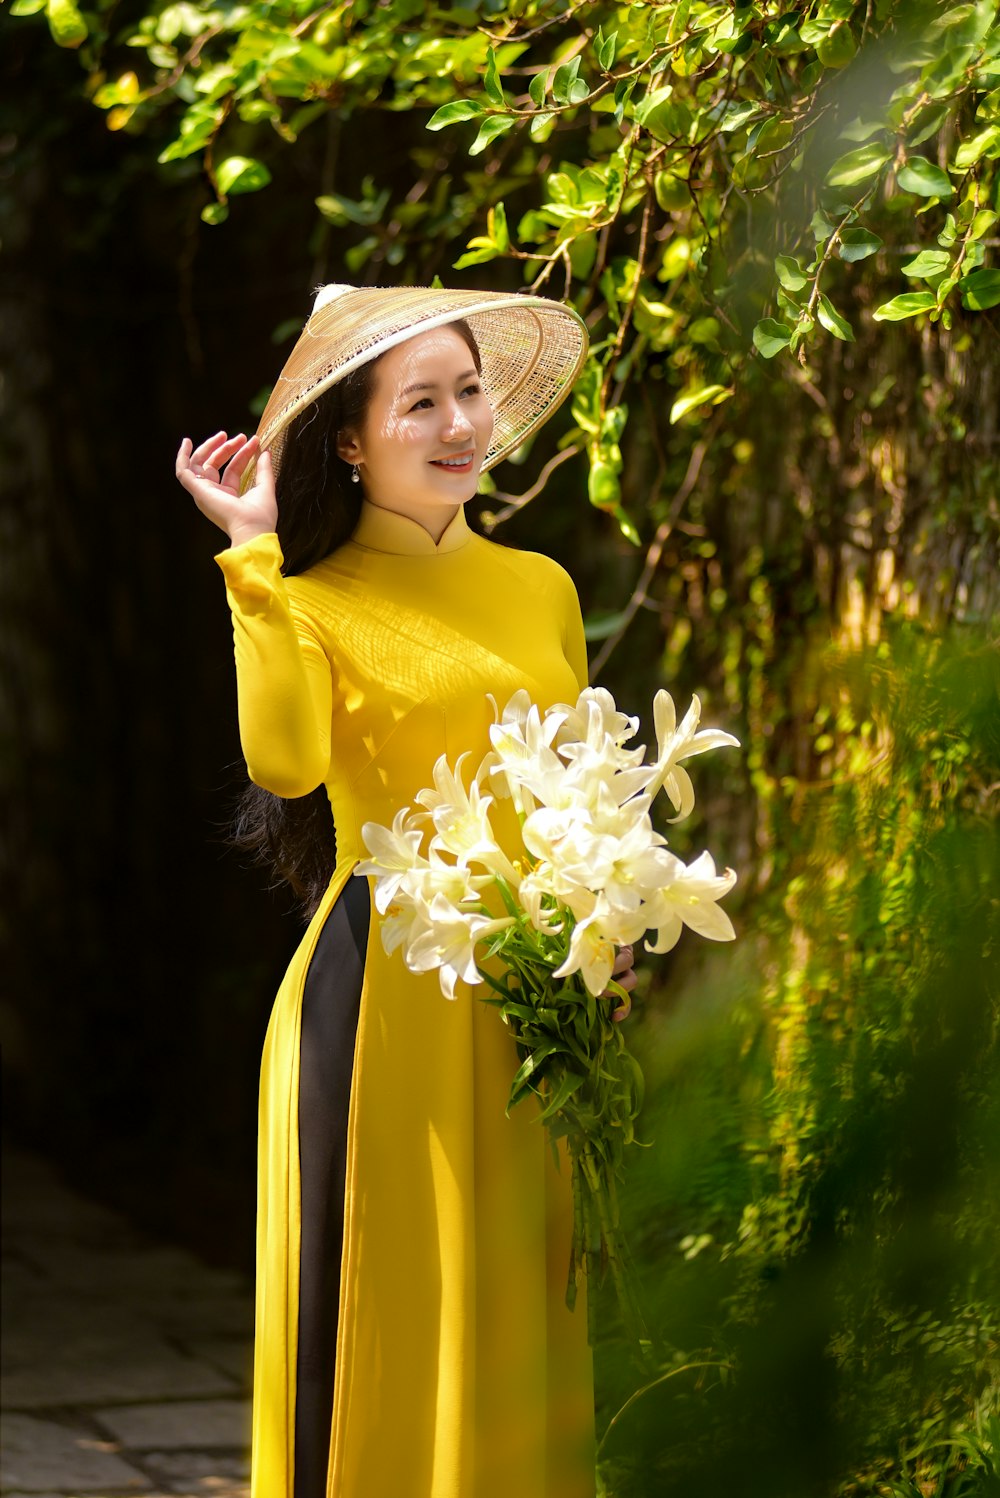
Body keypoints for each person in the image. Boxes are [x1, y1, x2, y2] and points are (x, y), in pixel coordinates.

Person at [175, 283, 636, 1498]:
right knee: (381, 1305)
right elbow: (284, 764)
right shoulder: (305, 598)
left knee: (517, 1308)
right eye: (418, 402)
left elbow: (573, 785)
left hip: (531, 994)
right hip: (383, 990)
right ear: (349, 438)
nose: (457, 424)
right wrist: (249, 555)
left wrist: (610, 926)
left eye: (470, 392)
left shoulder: (538, 585)